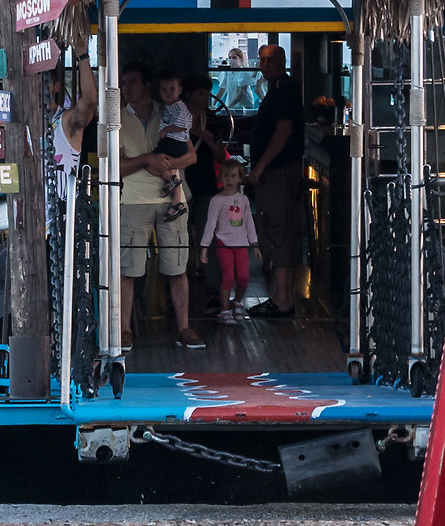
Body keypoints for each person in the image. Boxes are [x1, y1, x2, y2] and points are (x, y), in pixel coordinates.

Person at [117, 60, 204, 350]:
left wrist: (166, 164)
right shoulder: (116, 117)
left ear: (146, 86)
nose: (126, 88)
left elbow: (191, 157)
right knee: (127, 269)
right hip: (132, 199)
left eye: (132, 82)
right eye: (123, 82)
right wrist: (146, 160)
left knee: (178, 267)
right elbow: (115, 167)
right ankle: (124, 331)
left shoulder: (168, 113)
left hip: (171, 197)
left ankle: (184, 327)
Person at [244, 43, 307, 320]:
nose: (265, 65)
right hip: (280, 171)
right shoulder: (277, 89)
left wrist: (261, 164)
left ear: (282, 62)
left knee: (279, 231)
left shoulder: (284, 89)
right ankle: (283, 297)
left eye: (271, 60)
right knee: (281, 230)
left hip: (280, 173)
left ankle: (282, 300)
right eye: (262, 60)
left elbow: (283, 130)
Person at [201, 157, 260, 320]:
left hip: (241, 243)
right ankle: (225, 309)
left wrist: (254, 243)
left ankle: (238, 301)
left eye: (233, 176)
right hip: (223, 243)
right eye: (226, 175)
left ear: (240, 178)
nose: (229, 179)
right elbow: (211, 223)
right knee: (228, 276)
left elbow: (249, 222)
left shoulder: (244, 200)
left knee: (243, 277)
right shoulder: (216, 200)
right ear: (221, 177)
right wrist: (205, 245)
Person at [154, 70, 195, 222]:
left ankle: (172, 181)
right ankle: (176, 204)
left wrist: (166, 130)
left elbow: (183, 125)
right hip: (174, 142)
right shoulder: (167, 106)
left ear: (180, 90)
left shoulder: (179, 107)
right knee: (172, 170)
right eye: (164, 90)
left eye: (172, 89)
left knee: (154, 163)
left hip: (174, 142)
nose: (168, 93)